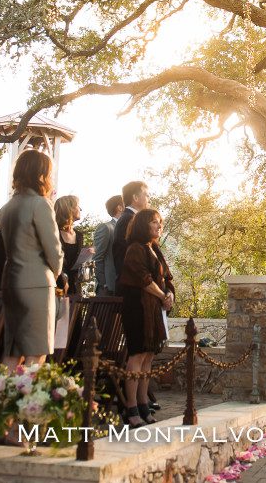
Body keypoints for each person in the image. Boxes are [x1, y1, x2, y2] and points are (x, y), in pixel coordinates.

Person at [0, 149, 64, 367]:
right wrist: (56, 275)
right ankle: (31, 401)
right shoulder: (40, 204)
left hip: (10, 282)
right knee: (37, 352)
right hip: (36, 284)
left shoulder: (7, 208)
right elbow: (53, 250)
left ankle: (4, 398)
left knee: (13, 350)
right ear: (41, 175)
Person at [117, 208, 174, 427]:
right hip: (137, 308)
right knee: (137, 356)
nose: (159, 226)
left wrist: (169, 294)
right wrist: (162, 295)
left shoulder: (155, 249)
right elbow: (143, 278)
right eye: (154, 222)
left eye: (160, 222)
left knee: (149, 356)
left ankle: (143, 403)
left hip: (154, 310)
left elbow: (167, 277)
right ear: (143, 225)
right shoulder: (134, 249)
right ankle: (130, 406)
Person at [112, 181, 148, 290]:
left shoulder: (130, 218)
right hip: (132, 287)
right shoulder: (129, 219)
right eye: (146, 195)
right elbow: (133, 257)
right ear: (136, 197)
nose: (148, 199)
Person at [93, 194, 123, 295]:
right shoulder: (106, 228)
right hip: (110, 289)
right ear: (120, 207)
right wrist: (104, 284)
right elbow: (97, 258)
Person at [54, 194, 81, 291]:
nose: (80, 209)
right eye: (78, 206)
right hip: (57, 286)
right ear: (70, 209)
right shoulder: (54, 232)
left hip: (75, 287)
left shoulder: (79, 235)